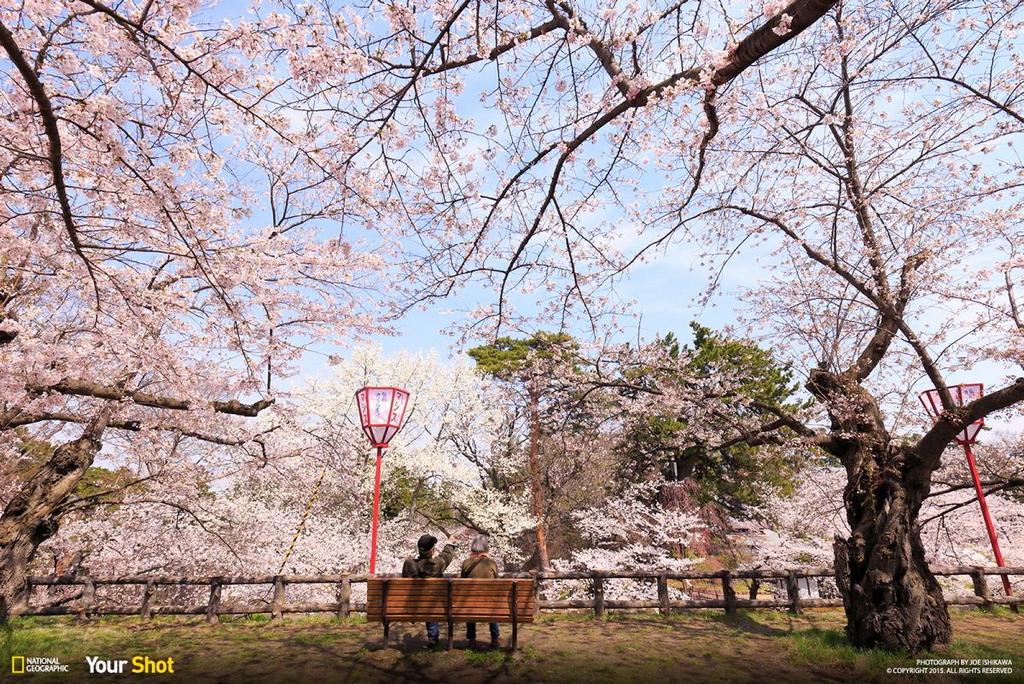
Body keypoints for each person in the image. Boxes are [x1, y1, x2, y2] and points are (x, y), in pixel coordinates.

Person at [402, 533, 457, 648]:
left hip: (413, 605)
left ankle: (432, 637)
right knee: (430, 601)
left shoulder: (408, 564)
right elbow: (446, 556)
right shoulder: (436, 564)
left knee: (425, 600)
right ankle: (432, 637)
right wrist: (450, 543)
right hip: (432, 606)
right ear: (432, 550)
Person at [461, 534, 501, 649]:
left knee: (470, 603)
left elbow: (462, 580)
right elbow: (497, 581)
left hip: (470, 604)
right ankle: (495, 638)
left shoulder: (466, 563)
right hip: (489, 603)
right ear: (486, 547)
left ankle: (471, 640)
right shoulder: (491, 563)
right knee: (492, 605)